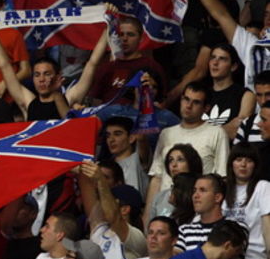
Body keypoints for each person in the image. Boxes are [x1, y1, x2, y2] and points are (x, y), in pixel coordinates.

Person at [0, 22, 108, 121]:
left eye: (47, 74)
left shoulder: (69, 98)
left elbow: (92, 64)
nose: (41, 79)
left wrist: (108, 26)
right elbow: (5, 66)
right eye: (37, 75)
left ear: (57, 76)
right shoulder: (29, 103)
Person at [145, 82, 230, 222]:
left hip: (195, 209)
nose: (188, 106)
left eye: (196, 102)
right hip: (164, 205)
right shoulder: (166, 133)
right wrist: (147, 216)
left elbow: (222, 178)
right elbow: (157, 176)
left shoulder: (216, 133)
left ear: (206, 108)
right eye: (186, 99)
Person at [204, 44, 255, 139]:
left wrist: (200, 134)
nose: (215, 62)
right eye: (213, 57)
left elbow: (237, 130)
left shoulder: (246, 95)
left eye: (222, 59)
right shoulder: (202, 94)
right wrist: (225, 129)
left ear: (233, 66)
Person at [102, 116, 148, 199]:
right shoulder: (104, 165)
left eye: (117, 134)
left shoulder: (137, 159)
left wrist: (141, 139)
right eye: (108, 136)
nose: (111, 140)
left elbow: (142, 142)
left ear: (131, 138)